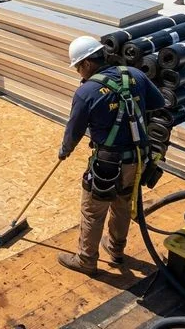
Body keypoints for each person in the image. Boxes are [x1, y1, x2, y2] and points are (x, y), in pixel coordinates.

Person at [57, 36, 165, 276]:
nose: (78, 73)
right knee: (123, 204)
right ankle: (116, 250)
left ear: (86, 63)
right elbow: (158, 102)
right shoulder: (135, 75)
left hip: (107, 164)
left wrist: (65, 151)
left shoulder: (86, 92)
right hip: (137, 159)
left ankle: (86, 260)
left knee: (93, 211)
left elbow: (74, 130)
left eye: (78, 68)